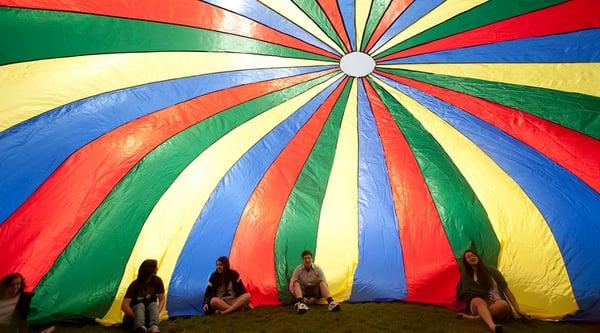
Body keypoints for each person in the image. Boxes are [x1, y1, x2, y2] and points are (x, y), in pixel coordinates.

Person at [456, 250, 530, 333]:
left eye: (473, 255)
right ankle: (492, 326)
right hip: (479, 304)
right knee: (477, 300)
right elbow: (464, 292)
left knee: (503, 304)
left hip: (496, 303)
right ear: (465, 261)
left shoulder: (493, 271)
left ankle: (474, 318)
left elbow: (507, 290)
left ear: (478, 257)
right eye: (468, 257)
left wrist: (518, 309)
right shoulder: (467, 275)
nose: (471, 258)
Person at [289, 250, 340, 314]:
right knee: (295, 282)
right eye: (305, 258)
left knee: (321, 282)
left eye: (309, 258)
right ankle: (301, 303)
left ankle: (331, 302)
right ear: (302, 260)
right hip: (303, 293)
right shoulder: (297, 270)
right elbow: (291, 286)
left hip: (315, 292)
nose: (307, 260)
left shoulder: (318, 269)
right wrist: (302, 298)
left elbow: (325, 285)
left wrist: (316, 298)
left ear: (312, 259)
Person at [122, 259, 165, 333]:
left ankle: (154, 328)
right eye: (155, 268)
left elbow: (162, 299)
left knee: (154, 304)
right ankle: (140, 328)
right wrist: (137, 317)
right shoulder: (135, 284)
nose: (157, 269)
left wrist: (156, 313)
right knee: (140, 305)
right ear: (149, 270)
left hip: (148, 315)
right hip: (134, 315)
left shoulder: (157, 281)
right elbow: (124, 306)